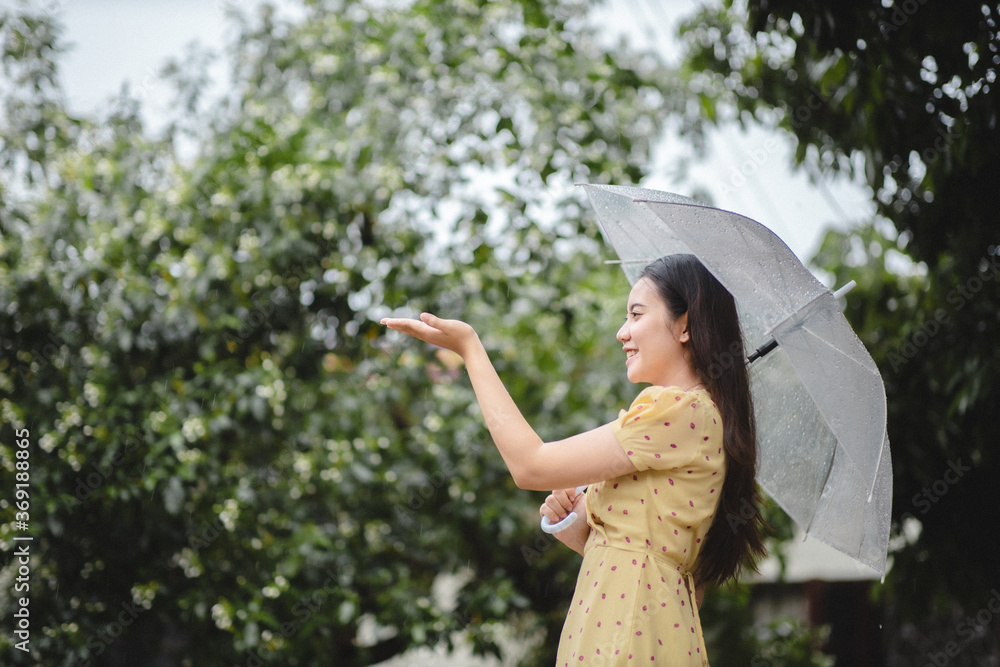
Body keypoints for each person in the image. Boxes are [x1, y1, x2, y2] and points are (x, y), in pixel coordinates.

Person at [380, 253, 766, 665]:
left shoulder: (676, 409)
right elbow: (665, 570)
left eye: (636, 314)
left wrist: (469, 349)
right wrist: (581, 527)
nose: (622, 332)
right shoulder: (699, 415)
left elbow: (530, 465)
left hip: (624, 635)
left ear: (685, 324)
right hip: (634, 625)